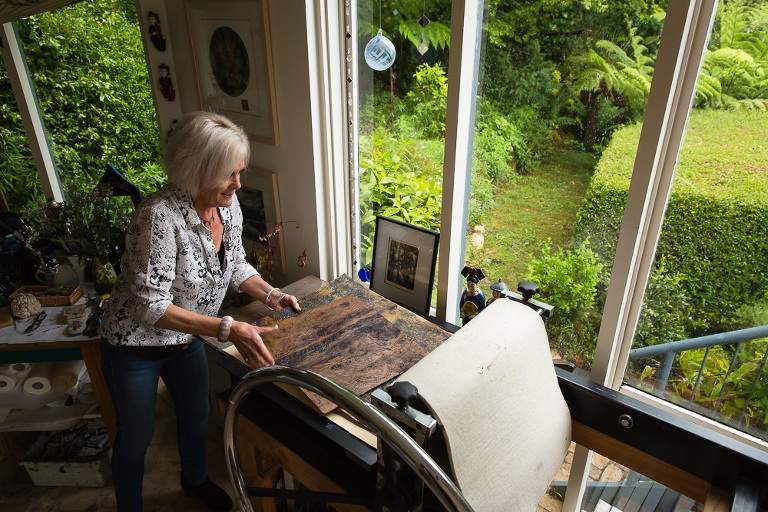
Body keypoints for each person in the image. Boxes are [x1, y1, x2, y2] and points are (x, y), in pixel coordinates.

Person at [99, 111, 300, 511]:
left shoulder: (228, 205)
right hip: (134, 346)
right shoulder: (158, 217)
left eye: (239, 172)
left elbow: (236, 263)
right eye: (229, 174)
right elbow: (150, 305)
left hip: (186, 339)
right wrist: (229, 329)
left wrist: (273, 295)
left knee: (196, 416)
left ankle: (193, 481)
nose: (238, 184)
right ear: (197, 169)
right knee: (135, 438)